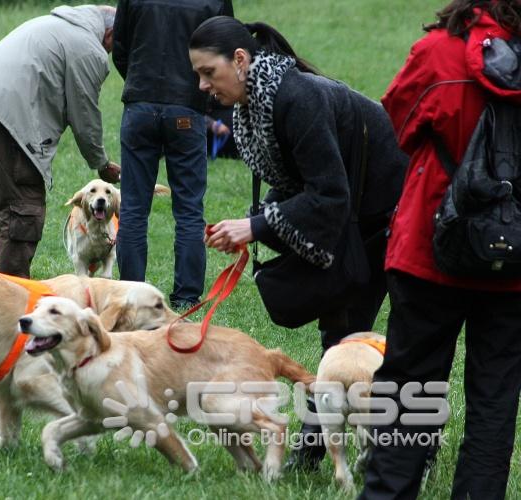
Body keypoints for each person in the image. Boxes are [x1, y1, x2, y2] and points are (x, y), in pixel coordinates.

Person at [188, 16, 407, 468]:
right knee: (338, 334)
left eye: (209, 72)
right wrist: (253, 221)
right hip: (349, 217)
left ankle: (392, 452)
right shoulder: (256, 102)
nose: (203, 85)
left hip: (389, 213)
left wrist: (257, 226)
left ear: (241, 60)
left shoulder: (296, 97)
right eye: (198, 74)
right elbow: (298, 184)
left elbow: (328, 191)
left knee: (364, 341)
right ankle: (317, 450)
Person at [360, 1, 521, 498]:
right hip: (513, 255)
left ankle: (389, 491)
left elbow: (402, 126)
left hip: (431, 246)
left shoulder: (437, 52)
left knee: (411, 388)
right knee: (495, 396)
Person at [0, 5, 121, 278]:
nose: (110, 53)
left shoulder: (55, 25)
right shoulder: (88, 47)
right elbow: (84, 113)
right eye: (116, 46)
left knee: (5, 213)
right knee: (23, 213)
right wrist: (101, 163)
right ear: (110, 34)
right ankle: (12, 302)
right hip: (11, 115)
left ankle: (3, 287)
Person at [112, 0, 233, 309]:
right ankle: (186, 299)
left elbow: (120, 46)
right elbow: (225, 48)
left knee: (134, 210)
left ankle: (131, 296)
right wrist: (207, 102)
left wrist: (140, 86)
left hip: (139, 105)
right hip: (187, 110)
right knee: (189, 210)